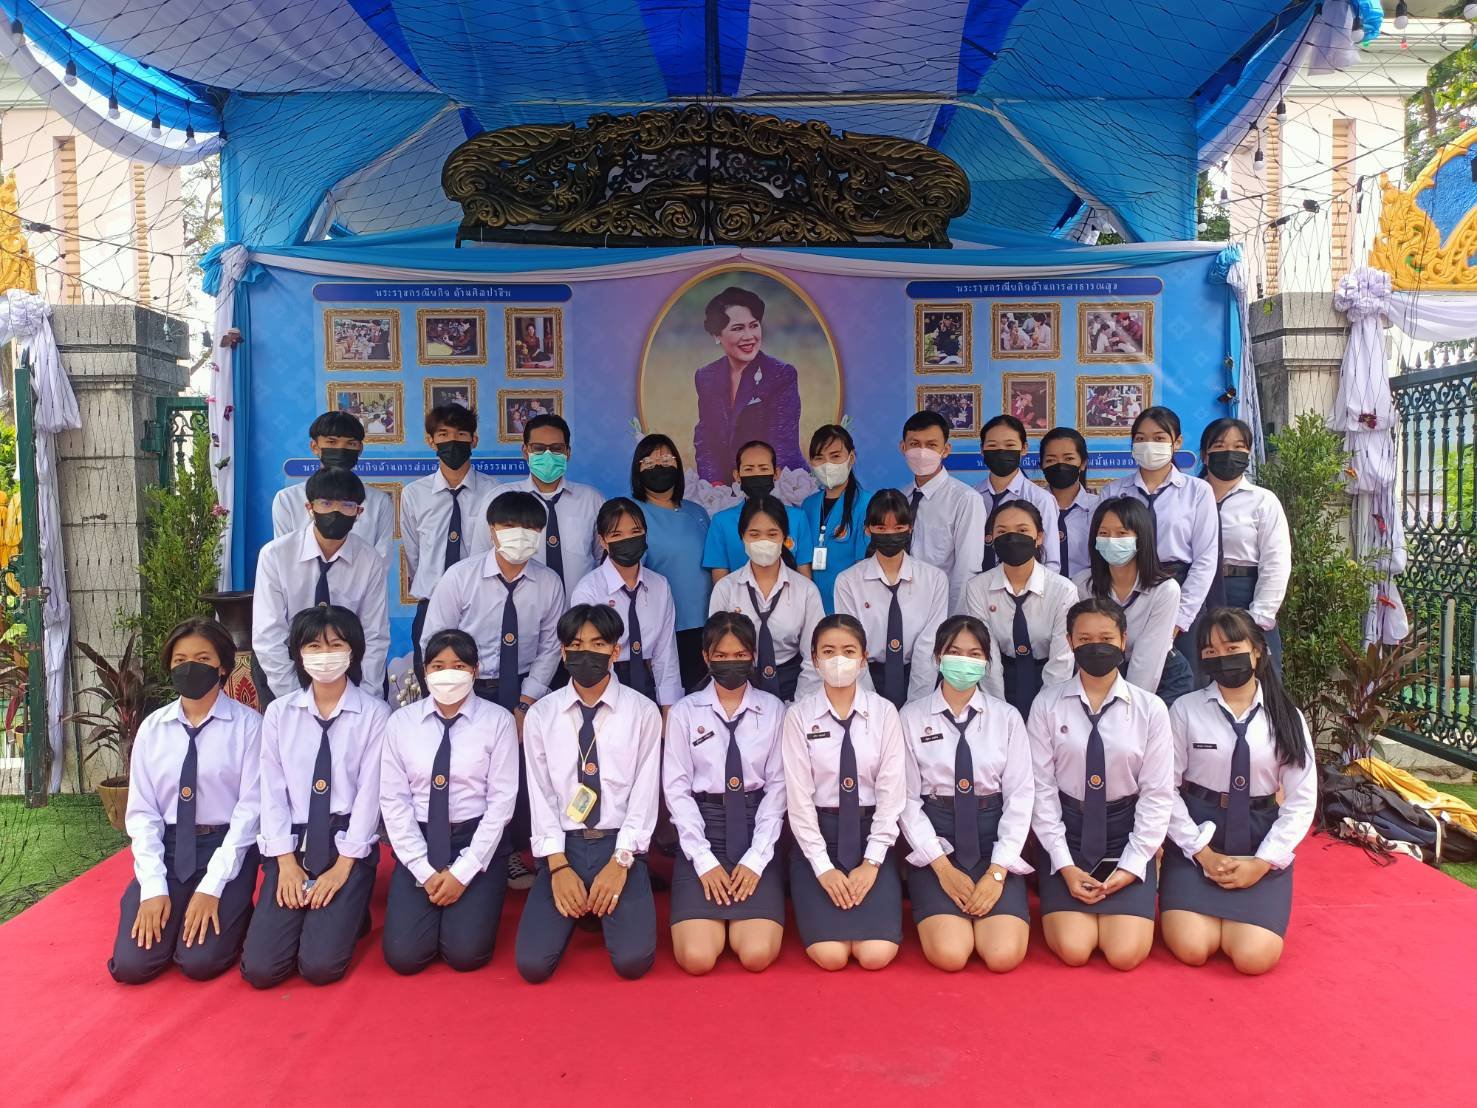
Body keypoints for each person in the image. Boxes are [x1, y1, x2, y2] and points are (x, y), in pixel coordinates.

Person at [421, 490, 566, 891]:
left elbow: (551, 646)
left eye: (531, 527)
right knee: (471, 772)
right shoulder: (460, 578)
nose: (520, 534)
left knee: (520, 776)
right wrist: (455, 693)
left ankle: (513, 853)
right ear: (491, 531)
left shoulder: (549, 583)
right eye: (509, 526)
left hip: (523, 691)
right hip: (470, 689)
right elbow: (434, 641)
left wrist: (526, 703)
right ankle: (465, 853)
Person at [1160, 608, 1315, 975]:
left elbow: (1301, 799)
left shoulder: (1287, 716)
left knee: (1253, 957)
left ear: (1257, 651)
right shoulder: (1185, 710)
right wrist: (1201, 852)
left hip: (1259, 839)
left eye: (1232, 648)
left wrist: (1263, 862)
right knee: (1192, 947)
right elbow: (1164, 789)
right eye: (1210, 651)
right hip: (1199, 836)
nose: (1222, 658)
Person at [240, 606, 388, 988]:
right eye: (314, 646)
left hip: (345, 839)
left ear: (353, 651)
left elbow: (370, 795)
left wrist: (343, 867)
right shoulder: (279, 713)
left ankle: (351, 906)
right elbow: (272, 791)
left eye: (335, 645)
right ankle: (330, 909)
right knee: (262, 969)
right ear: (299, 654)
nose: (325, 655)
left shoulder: (375, 714)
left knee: (319, 966)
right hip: (295, 839)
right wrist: (285, 863)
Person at [108, 618, 262, 984]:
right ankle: (173, 907)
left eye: (202, 658)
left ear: (222, 666)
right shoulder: (153, 729)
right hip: (170, 848)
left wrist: (212, 887)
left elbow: (250, 812)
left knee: (199, 962)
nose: (190, 667)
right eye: (180, 660)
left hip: (224, 846)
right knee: (132, 965)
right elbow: (143, 814)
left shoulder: (249, 727)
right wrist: (152, 887)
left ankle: (238, 912)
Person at [515, 605, 663, 982]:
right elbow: (540, 796)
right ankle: (581, 908)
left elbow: (645, 797)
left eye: (598, 644)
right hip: (565, 846)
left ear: (616, 650)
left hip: (618, 845)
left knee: (632, 962)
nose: (587, 653)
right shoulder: (542, 715)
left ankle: (601, 907)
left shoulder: (643, 713)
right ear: (563, 652)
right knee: (532, 966)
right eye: (576, 645)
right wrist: (557, 866)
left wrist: (621, 862)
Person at [1028, 597, 1173, 970]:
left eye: (1106, 638)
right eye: (1085, 639)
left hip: (1125, 834)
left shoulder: (1150, 709)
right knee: (1074, 949)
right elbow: (1041, 790)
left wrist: (1134, 863)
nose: (1096, 647)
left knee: (1124, 954)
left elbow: (1157, 794)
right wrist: (1063, 863)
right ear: (1069, 642)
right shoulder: (1046, 705)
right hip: (1069, 834)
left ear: (1124, 640)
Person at [379, 630, 520, 974]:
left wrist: (462, 872)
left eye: (459, 666)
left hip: (476, 841)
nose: (448, 674)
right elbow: (394, 801)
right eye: (438, 666)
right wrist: (424, 870)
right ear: (425, 671)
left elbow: (501, 803)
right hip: (421, 841)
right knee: (404, 957)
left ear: (475, 670)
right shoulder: (401, 723)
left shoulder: (498, 721)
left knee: (466, 954)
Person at [899, 615, 1033, 972]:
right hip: (939, 841)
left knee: (1002, 956)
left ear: (987, 662)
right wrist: (942, 867)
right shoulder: (910, 718)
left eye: (974, 654)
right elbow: (906, 801)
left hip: (993, 842)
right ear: (937, 658)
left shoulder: (1007, 718)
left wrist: (998, 871)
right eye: (954, 652)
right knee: (950, 955)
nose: (964, 661)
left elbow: (1020, 798)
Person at [662, 612, 787, 974]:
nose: (731, 663)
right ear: (705, 657)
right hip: (704, 829)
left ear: (753, 656)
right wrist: (703, 859)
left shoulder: (774, 710)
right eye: (721, 656)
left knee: (756, 955)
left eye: (740, 655)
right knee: (697, 958)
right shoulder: (685, 712)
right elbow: (676, 789)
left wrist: (756, 858)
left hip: (755, 828)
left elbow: (778, 788)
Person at [781, 615, 906, 971]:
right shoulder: (798, 717)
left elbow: (891, 793)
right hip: (819, 838)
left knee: (876, 955)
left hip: (871, 838)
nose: (839, 659)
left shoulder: (885, 713)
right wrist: (823, 868)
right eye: (828, 651)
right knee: (831, 956)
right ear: (814, 659)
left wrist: (872, 862)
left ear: (864, 658)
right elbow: (799, 799)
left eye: (849, 651)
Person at [251, 467, 389, 706]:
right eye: (326, 503)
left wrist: (364, 698)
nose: (336, 512)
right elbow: (268, 635)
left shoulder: (369, 560)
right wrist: (296, 699)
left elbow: (374, 635)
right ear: (309, 508)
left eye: (347, 505)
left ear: (359, 513)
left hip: (348, 667)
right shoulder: (275, 555)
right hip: (287, 666)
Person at [1099, 406, 1219, 669]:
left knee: (1182, 678)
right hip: (1126, 591)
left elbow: (1205, 559)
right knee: (1126, 673)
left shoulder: (1198, 491)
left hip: (1179, 587)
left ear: (1177, 442)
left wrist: (1180, 618)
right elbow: (1100, 548)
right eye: (1141, 438)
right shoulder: (1113, 492)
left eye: (1159, 438)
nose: (1149, 445)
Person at [402, 403, 500, 689]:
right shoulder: (413, 494)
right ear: (430, 441)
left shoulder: (495, 491)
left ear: (474, 440)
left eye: (461, 434)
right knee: (434, 686)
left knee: (482, 684)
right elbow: (413, 553)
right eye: (443, 435)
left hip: (480, 604)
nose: (452, 441)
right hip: (431, 603)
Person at [832, 489, 948, 708]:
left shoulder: (934, 579)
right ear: (867, 529)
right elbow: (851, 645)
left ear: (910, 528)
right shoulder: (847, 581)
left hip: (921, 676)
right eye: (881, 528)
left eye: (898, 528)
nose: (890, 534)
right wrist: (872, 704)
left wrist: (917, 704)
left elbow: (928, 644)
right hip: (867, 676)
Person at [962, 502, 1075, 718]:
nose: (1012, 538)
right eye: (1002, 531)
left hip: (1048, 680)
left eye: (1022, 530)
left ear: (1039, 537)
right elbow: (987, 654)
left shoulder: (1063, 590)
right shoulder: (977, 588)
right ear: (991, 538)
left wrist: (1045, 711)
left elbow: (1061, 661)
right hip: (1000, 678)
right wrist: (999, 711)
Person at [1075, 496, 1193, 705]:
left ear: (1141, 537)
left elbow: (1147, 659)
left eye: (1122, 533)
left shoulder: (1165, 590)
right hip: (1101, 672)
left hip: (1162, 676)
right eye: (1104, 533)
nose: (1112, 541)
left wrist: (1128, 708)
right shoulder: (1081, 584)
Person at [708, 495, 825, 701]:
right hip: (740, 684)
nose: (764, 541)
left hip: (793, 684)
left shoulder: (806, 590)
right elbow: (718, 652)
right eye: (754, 534)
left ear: (785, 537)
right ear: (742, 536)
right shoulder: (725, 589)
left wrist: (799, 706)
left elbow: (813, 657)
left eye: (772, 534)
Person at [569, 498, 682, 708]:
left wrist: (668, 707)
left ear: (645, 534)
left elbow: (666, 654)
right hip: (604, 686)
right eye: (616, 535)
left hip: (650, 684)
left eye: (635, 532)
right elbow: (589, 656)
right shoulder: (589, 590)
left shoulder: (660, 585)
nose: (627, 540)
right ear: (603, 541)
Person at [1200, 418, 1291, 672]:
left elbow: (1276, 562)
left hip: (1245, 593)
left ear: (1248, 454)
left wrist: (1259, 617)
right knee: (1201, 675)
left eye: (1239, 446)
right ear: (1205, 455)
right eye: (1220, 445)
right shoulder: (1188, 498)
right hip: (1198, 595)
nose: (1230, 452)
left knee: (1258, 674)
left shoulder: (1263, 501)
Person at [692, 286, 804, 484]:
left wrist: (757, 487)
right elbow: (706, 440)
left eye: (754, 325)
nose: (749, 336)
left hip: (776, 481)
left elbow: (783, 444)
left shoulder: (781, 374)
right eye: (738, 328)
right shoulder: (706, 376)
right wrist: (714, 484)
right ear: (717, 335)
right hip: (727, 484)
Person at [630, 433, 712, 690]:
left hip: (705, 626)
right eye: (649, 461)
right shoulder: (631, 513)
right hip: (661, 629)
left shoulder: (697, 512)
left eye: (666, 459)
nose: (659, 466)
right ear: (637, 469)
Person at [270, 410, 394, 562]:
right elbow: (283, 556)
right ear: (315, 446)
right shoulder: (287, 500)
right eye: (331, 442)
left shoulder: (379, 501)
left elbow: (381, 562)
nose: (341, 449)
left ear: (360, 449)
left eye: (351, 443)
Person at [500, 413, 602, 595]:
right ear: (525, 451)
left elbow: (606, 560)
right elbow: (482, 560)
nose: (547, 455)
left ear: (567, 453)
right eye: (538, 448)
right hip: (522, 608)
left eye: (556, 448)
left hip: (581, 608)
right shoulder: (502, 499)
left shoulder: (592, 500)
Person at [899, 410, 986, 611]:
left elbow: (967, 569)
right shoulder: (901, 498)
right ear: (903, 447)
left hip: (941, 609)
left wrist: (954, 620)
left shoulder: (965, 499)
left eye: (931, 445)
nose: (922, 452)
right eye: (914, 444)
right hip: (900, 607)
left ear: (945, 450)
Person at [701, 440, 814, 579]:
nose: (756, 475)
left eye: (763, 469)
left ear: (776, 473)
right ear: (737, 476)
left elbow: (804, 574)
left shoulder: (797, 518)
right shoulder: (721, 521)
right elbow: (720, 578)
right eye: (749, 469)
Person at [976, 414, 1061, 574]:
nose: (1001, 451)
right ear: (982, 450)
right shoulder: (972, 497)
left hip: (1025, 586)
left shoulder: (1040, 499)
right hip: (978, 586)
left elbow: (1051, 562)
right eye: (992, 445)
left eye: (1010, 445)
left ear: (1024, 449)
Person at [799, 425, 869, 613]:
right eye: (819, 458)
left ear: (851, 458)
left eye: (835, 456)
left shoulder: (867, 504)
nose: (827, 464)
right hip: (812, 605)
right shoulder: (808, 505)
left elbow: (864, 564)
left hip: (850, 604)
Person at [1040, 426, 1099, 580]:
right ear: (1041, 465)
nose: (1060, 465)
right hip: (1043, 591)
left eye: (1069, 459)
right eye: (1051, 460)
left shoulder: (1099, 508)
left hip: (1089, 591)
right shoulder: (1030, 507)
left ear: (1083, 463)